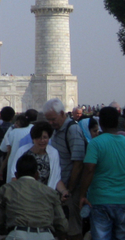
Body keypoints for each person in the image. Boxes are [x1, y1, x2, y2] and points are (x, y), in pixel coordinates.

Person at [79, 106, 125, 240]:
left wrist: (82, 195)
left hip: (101, 199)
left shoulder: (95, 144)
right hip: (124, 199)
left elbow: (89, 170)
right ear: (118, 122)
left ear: (101, 123)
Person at [0, 153, 68, 239]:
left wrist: (8, 230)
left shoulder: (5, 190)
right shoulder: (50, 192)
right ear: (37, 174)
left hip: (17, 234)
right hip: (45, 235)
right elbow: (63, 225)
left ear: (16, 175)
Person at [44, 98, 86, 240]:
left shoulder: (72, 130)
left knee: (72, 229)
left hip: (70, 188)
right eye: (48, 120)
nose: (51, 123)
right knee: (61, 228)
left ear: (62, 113)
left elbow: (78, 162)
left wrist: (70, 189)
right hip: (61, 187)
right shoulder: (57, 130)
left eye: (53, 119)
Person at [10, 121, 68, 198]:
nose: (42, 141)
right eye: (38, 138)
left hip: (45, 197)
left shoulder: (53, 153)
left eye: (45, 137)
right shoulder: (22, 151)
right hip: (24, 195)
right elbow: (14, 175)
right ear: (33, 138)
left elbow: (56, 178)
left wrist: (64, 192)